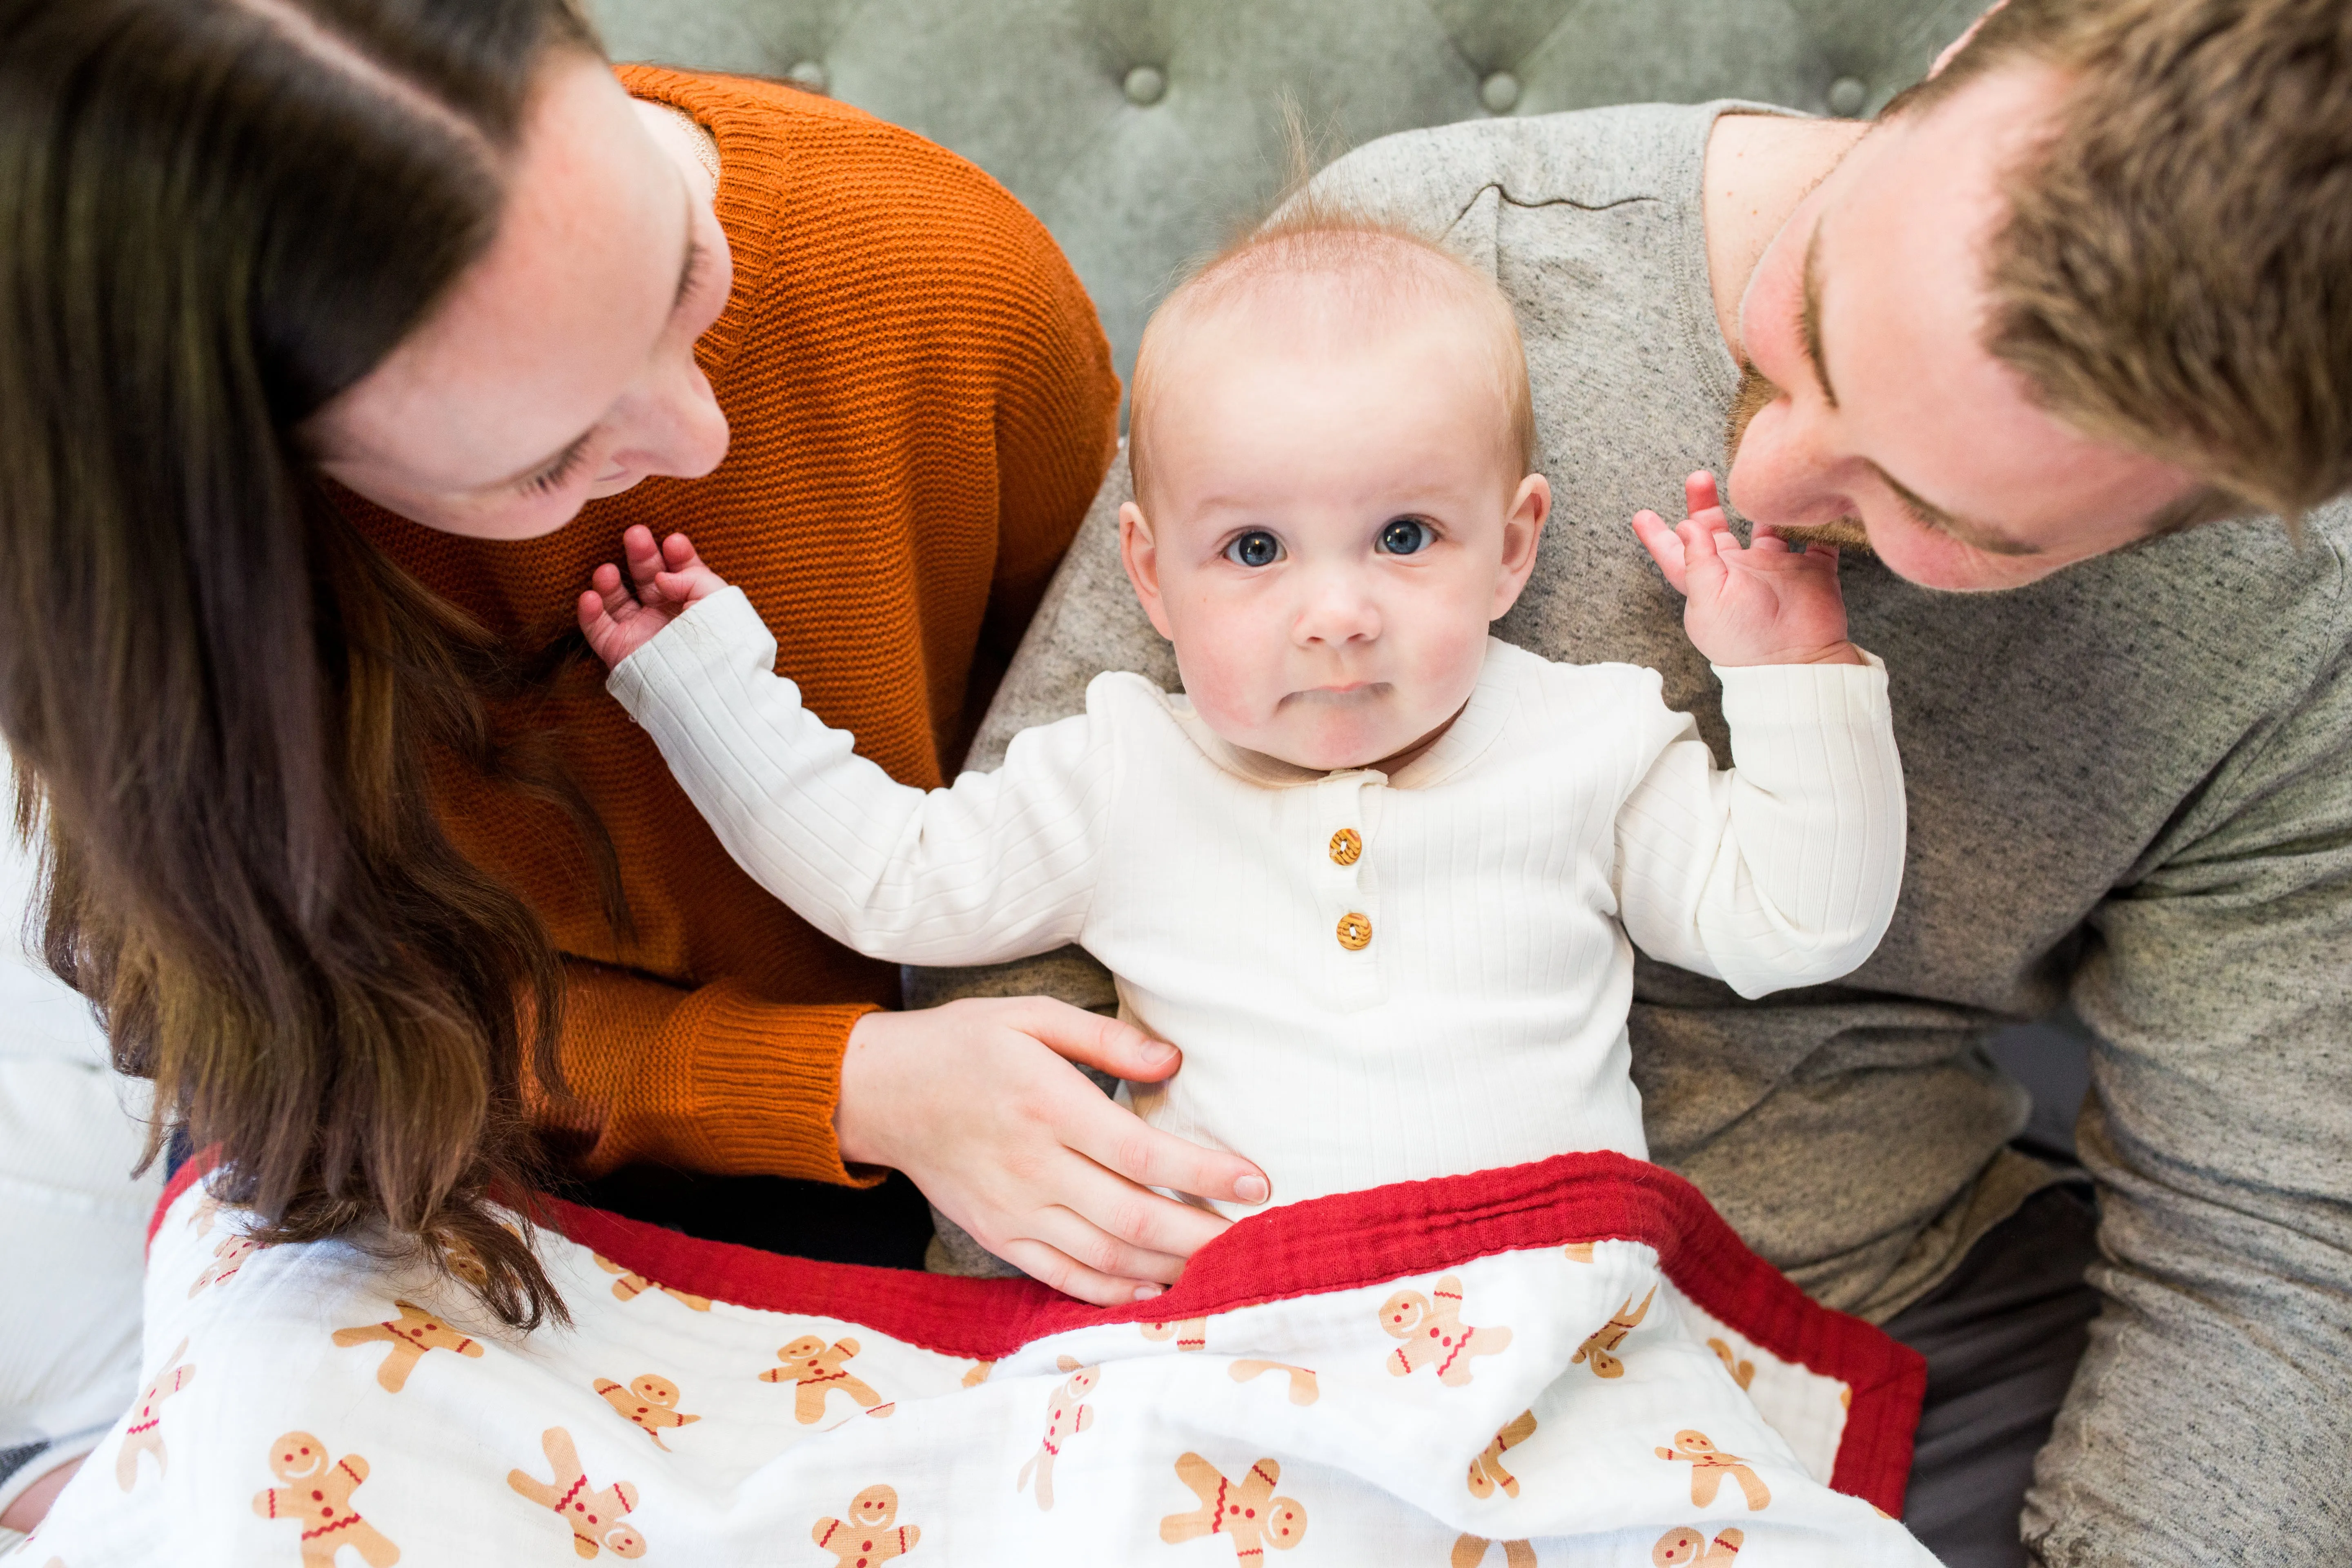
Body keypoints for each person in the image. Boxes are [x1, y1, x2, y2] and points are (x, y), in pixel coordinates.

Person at [918, 1, 2352, 1565]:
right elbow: (1030, 903)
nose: (1762, 485)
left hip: (1869, 1309)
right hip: (1248, 1314)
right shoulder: (1434, 264)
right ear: (1962, 56)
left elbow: (2268, 1268)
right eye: (1807, 314)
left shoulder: (2294, 650)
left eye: (1948, 516)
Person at [0, 0, 1265, 1531]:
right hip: (423, 1114)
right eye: (544, 462)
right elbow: (276, 1031)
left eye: (685, 265)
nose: (703, 435)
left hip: (946, 1081)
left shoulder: (941, 275)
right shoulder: (151, 583)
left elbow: (1119, 767)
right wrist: (837, 1089)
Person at [575, 211, 1906, 1223]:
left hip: (1547, 1296)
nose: (1335, 615)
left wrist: (1793, 675)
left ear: (1513, 549)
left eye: (1404, 536)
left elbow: (1792, 926)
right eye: (1256, 551)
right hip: (1238, 1325)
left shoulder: (1589, 743)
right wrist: (702, 685)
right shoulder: (1124, 773)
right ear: (1151, 574)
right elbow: (890, 882)